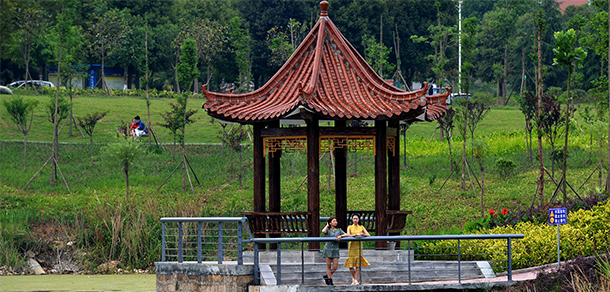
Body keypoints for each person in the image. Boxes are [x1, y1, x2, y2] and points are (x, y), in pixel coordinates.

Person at [343, 213, 370, 285]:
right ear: (352, 219)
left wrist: (362, 234)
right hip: (352, 247)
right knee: (351, 265)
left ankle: (355, 279)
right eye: (354, 219)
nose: (355, 220)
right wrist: (355, 235)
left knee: (358, 265)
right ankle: (354, 278)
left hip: (359, 247)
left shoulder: (361, 227)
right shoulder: (349, 227)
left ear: (358, 219)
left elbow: (368, 234)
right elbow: (348, 235)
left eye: (356, 219)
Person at [321, 216, 345, 285]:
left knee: (335, 267)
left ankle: (327, 276)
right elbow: (323, 231)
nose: (335, 222)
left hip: (335, 250)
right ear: (330, 223)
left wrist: (341, 236)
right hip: (328, 249)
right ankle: (330, 280)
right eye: (334, 221)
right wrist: (327, 225)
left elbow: (346, 234)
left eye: (336, 221)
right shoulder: (328, 230)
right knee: (328, 266)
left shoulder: (339, 230)